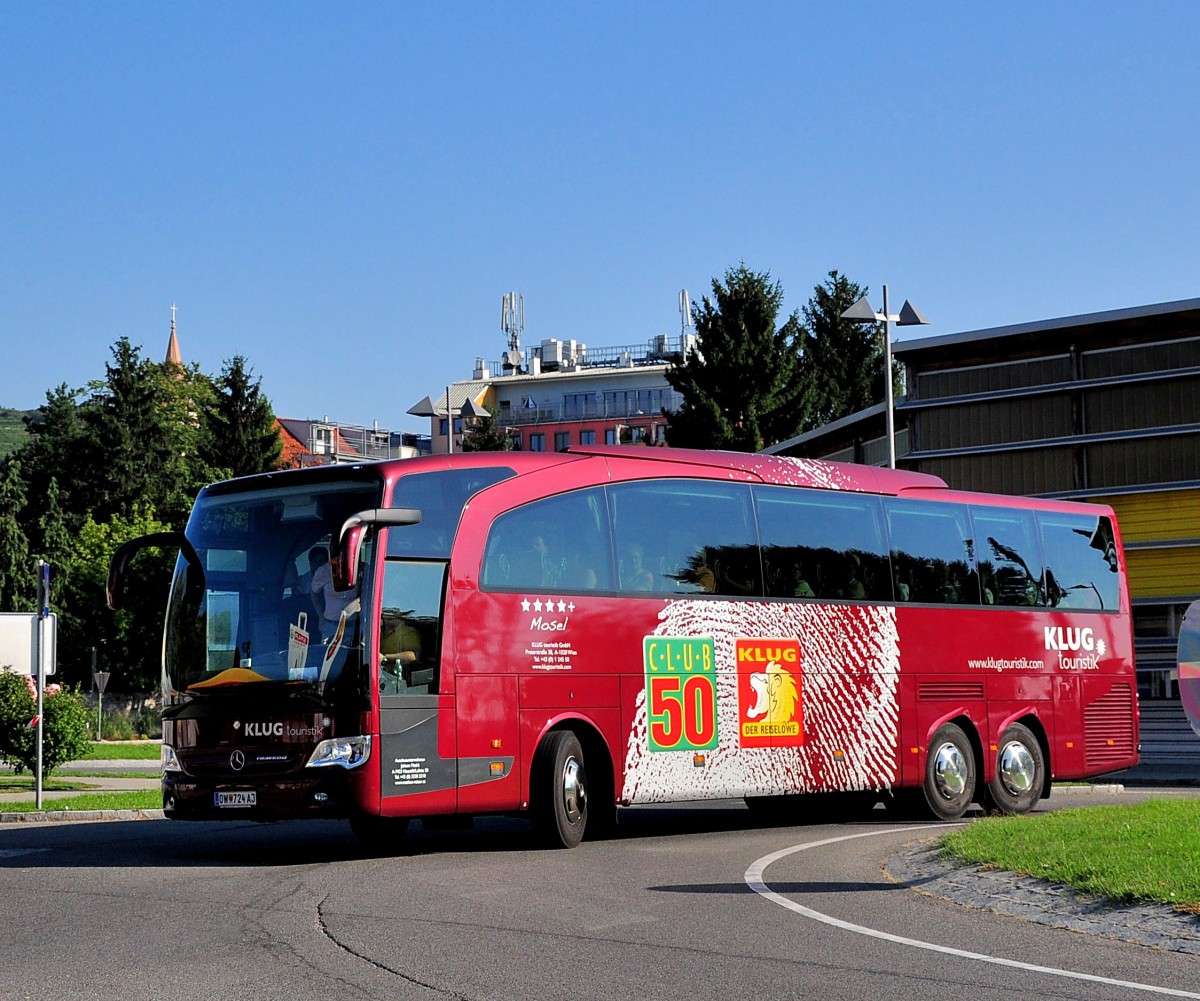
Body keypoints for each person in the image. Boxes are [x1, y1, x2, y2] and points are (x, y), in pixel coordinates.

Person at [309, 545, 355, 636]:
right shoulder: (324, 571)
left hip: (356, 626)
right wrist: (320, 617)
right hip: (331, 626)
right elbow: (313, 592)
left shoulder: (363, 569)